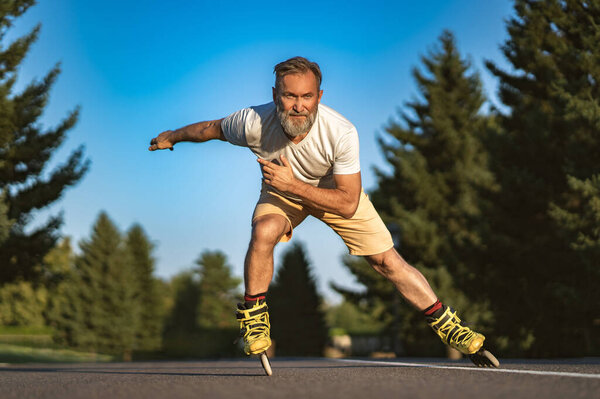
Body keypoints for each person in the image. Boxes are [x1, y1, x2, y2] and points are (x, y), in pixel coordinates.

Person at [149, 56, 498, 367]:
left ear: (319, 96)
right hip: (282, 190)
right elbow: (210, 129)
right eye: (289, 96)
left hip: (333, 191)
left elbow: (348, 202)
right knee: (265, 229)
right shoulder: (252, 121)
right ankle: (254, 317)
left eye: (307, 97)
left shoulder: (341, 132)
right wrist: (173, 135)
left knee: (387, 262)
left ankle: (451, 328)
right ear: (275, 96)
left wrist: (293, 185)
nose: (298, 106)